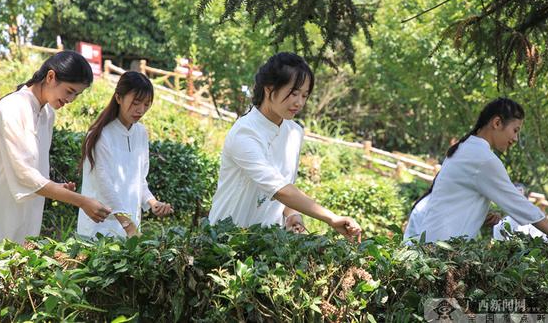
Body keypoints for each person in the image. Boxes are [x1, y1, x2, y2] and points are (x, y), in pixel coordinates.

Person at [208, 52, 361, 241]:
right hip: (224, 242)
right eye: (294, 93)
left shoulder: (294, 132)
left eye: (305, 95)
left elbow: (285, 184)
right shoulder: (245, 133)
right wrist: (332, 218)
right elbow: (279, 189)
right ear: (269, 88)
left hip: (268, 244)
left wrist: (291, 213)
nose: (299, 102)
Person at [0, 51, 111, 247]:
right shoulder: (12, 107)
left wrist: (56, 188)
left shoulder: (47, 114)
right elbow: (25, 175)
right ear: (50, 77)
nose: (71, 100)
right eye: (69, 91)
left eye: (77, 95)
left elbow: (35, 172)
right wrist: (81, 201)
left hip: (19, 213)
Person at [403, 97, 548, 253]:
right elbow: (522, 207)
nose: (516, 139)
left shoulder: (465, 148)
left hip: (429, 245)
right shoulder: (484, 159)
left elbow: (453, 198)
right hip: (441, 252)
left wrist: (480, 213)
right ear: (497, 123)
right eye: (515, 130)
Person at [77, 71, 173, 239]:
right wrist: (128, 225)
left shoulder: (141, 133)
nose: (141, 110)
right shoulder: (101, 134)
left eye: (146, 104)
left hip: (130, 229)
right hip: (99, 229)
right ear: (118, 98)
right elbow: (104, 185)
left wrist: (153, 203)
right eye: (136, 102)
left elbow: (139, 180)